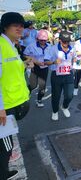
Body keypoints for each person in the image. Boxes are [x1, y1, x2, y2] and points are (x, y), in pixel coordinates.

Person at [0, 12, 31, 180]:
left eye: (22, 25)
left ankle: (3, 171)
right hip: (4, 106)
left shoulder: (12, 45)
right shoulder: (1, 45)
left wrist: (25, 64)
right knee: (5, 147)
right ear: (5, 26)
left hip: (11, 102)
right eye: (15, 25)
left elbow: (10, 72)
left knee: (6, 145)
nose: (20, 28)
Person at [44, 31, 76, 121]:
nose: (66, 43)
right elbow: (45, 61)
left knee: (70, 95)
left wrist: (76, 62)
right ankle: (55, 111)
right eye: (64, 41)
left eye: (68, 41)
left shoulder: (72, 48)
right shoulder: (53, 49)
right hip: (56, 75)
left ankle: (64, 107)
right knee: (56, 96)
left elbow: (74, 57)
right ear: (60, 40)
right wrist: (54, 62)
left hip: (68, 74)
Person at [24, 29, 51, 107]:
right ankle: (26, 94)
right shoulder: (31, 46)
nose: (43, 42)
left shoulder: (49, 46)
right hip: (34, 67)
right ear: (37, 39)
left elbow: (53, 56)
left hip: (45, 67)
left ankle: (39, 100)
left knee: (42, 85)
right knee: (33, 85)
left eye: (44, 40)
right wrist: (34, 61)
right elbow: (25, 55)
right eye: (41, 40)